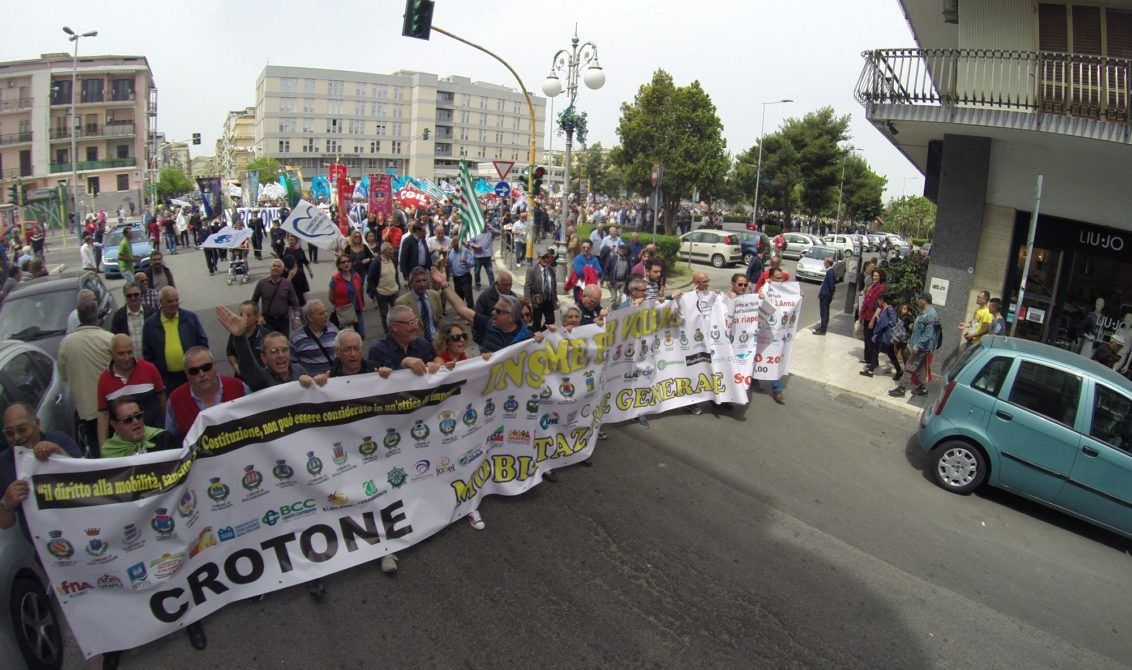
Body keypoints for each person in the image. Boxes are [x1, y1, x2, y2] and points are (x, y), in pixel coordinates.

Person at [1, 402, 82, 540]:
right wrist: (6, 503)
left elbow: (90, 482)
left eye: (22, 429)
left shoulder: (58, 439)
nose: (16, 437)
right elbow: (5, 523)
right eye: (9, 433)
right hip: (47, 548)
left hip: (81, 530)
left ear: (37, 424)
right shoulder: (3, 462)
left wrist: (59, 453)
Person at [430, 266, 540, 354]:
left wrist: (546, 337)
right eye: (494, 309)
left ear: (511, 316)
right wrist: (444, 284)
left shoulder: (528, 336)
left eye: (498, 311)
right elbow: (462, 309)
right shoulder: (488, 324)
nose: (492, 312)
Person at [216, 305, 320, 391]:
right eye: (274, 351)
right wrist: (239, 336)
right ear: (264, 357)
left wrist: (318, 383)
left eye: (284, 350)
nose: (280, 355)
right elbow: (248, 366)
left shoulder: (299, 371)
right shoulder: (261, 378)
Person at [57, 301, 114, 455]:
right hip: (113, 409)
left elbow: (63, 374)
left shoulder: (66, 344)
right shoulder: (108, 339)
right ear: (96, 316)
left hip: (87, 412)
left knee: (97, 452)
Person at [165, 347, 249, 441]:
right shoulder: (175, 400)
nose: (201, 374)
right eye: (194, 371)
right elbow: (170, 440)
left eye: (206, 367)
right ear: (186, 374)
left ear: (214, 366)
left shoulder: (239, 387)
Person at [97, 334, 166, 447]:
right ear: (111, 354)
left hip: (155, 438)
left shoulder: (149, 369)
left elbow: (163, 402)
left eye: (129, 352)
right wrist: (103, 447)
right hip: (124, 446)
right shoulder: (104, 380)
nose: (127, 357)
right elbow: (103, 416)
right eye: (121, 354)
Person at [142, 287, 209, 393]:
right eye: (170, 301)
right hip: (167, 379)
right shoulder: (150, 324)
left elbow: (202, 343)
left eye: (176, 300)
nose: (175, 304)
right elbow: (147, 354)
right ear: (161, 302)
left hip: (192, 374)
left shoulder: (190, 318)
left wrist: (201, 366)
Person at [889, 292, 940, 398]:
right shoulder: (926, 312)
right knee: (920, 367)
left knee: (909, 366)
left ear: (924, 300)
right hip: (921, 346)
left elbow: (928, 334)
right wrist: (913, 326)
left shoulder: (929, 314)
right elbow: (924, 329)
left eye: (918, 299)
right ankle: (923, 388)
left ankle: (902, 389)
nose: (917, 301)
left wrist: (918, 345)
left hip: (921, 347)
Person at [101, 396, 180, 458]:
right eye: (128, 419)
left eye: (138, 416)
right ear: (115, 425)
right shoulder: (110, 451)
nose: (135, 422)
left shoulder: (164, 439)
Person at [759, 267, 790, 405]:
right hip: (764, 331)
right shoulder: (765, 289)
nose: (780, 280)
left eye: (781, 277)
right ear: (770, 277)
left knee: (774, 359)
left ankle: (777, 389)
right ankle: (751, 379)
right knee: (758, 356)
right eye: (777, 278)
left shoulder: (786, 290)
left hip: (778, 333)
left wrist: (798, 296)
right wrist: (761, 295)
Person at [252, 258, 301, 336]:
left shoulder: (287, 283)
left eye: (278, 266)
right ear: (270, 268)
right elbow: (254, 301)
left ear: (282, 270)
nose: (275, 268)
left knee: (284, 343)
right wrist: (258, 316)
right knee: (269, 343)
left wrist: (297, 317)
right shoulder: (261, 283)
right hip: (267, 321)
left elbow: (295, 302)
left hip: (283, 321)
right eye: (274, 266)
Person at [290, 300, 339, 376]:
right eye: (321, 314)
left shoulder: (333, 331)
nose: (326, 315)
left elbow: (340, 356)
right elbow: (292, 363)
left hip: (331, 379)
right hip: (309, 382)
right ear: (310, 318)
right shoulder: (296, 337)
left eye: (326, 312)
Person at [862, 293, 904, 380]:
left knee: (889, 353)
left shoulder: (889, 309)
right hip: (881, 334)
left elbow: (894, 321)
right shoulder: (884, 308)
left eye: (878, 299)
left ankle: (899, 371)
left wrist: (884, 322)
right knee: (876, 351)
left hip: (886, 335)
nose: (877, 301)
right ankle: (871, 371)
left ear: (882, 300)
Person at [396, 267, 443, 342]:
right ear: (411, 283)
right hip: (415, 344)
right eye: (417, 281)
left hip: (436, 341)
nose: (422, 284)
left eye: (424, 280)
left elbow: (439, 318)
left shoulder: (435, 295)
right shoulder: (402, 302)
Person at [226, 300, 269, 380]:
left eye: (248, 316)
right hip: (242, 377)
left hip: (261, 378)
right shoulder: (236, 333)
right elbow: (230, 352)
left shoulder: (265, 334)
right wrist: (235, 365)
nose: (244, 319)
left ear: (257, 317)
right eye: (241, 315)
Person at [111, 282, 155, 354]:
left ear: (140, 294)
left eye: (136, 294)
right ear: (125, 296)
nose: (133, 298)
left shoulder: (151, 313)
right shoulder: (118, 316)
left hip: (149, 361)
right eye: (129, 295)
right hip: (129, 362)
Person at [329, 254, 366, 340]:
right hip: (344, 311)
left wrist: (362, 305)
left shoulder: (356, 276)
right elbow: (331, 298)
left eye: (348, 261)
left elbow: (360, 292)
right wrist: (338, 304)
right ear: (339, 265)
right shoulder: (335, 279)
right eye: (343, 262)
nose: (346, 264)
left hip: (357, 309)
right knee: (346, 337)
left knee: (362, 334)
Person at [367, 242, 400, 332]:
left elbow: (395, 274)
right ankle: (387, 332)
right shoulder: (376, 263)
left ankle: (398, 329)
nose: (392, 252)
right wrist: (376, 292)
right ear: (384, 251)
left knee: (396, 312)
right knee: (384, 314)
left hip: (394, 291)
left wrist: (398, 286)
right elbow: (370, 278)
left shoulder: (393, 260)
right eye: (390, 250)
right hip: (382, 293)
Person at [859, 270, 888, 376]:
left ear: (881, 277)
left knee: (872, 341)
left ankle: (873, 362)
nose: (875, 277)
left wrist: (873, 319)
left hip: (873, 318)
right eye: (874, 275)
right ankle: (868, 359)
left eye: (877, 276)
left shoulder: (881, 288)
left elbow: (880, 305)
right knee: (867, 339)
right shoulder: (872, 286)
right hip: (866, 316)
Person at [524, 247, 559, 332]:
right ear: (539, 258)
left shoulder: (551, 270)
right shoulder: (532, 270)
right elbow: (527, 287)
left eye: (548, 257)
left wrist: (556, 299)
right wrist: (529, 302)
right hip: (537, 301)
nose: (546, 260)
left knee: (551, 321)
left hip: (549, 300)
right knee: (536, 323)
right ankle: (535, 338)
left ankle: (543, 334)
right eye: (543, 257)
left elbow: (553, 287)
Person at [282, 235, 313, 306]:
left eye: (292, 240)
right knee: (289, 290)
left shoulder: (300, 250)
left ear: (296, 241)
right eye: (289, 240)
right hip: (289, 274)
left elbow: (305, 261)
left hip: (300, 274)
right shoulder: (285, 251)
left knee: (303, 291)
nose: (290, 241)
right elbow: (282, 262)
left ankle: (307, 307)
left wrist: (310, 271)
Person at [470, 220, 498, 289]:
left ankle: (492, 286)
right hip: (478, 257)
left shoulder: (490, 233)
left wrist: (491, 227)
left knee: (490, 272)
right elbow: (469, 242)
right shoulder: (475, 233)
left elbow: (499, 233)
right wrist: (475, 246)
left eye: (484, 225)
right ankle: (478, 284)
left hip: (487, 257)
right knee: (477, 272)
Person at [813, 256, 836, 335]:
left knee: (824, 313)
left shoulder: (830, 272)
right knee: (824, 312)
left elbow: (831, 284)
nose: (824, 263)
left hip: (825, 296)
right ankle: (822, 327)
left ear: (828, 263)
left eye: (825, 262)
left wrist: (832, 293)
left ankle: (823, 330)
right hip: (825, 295)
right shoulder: (829, 271)